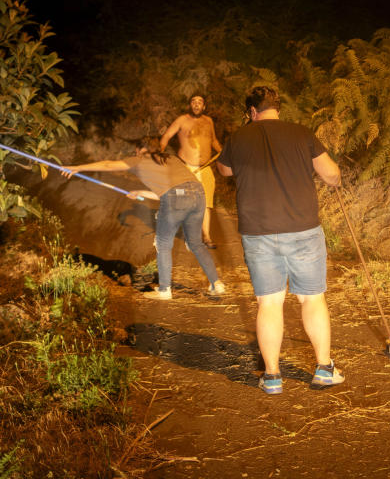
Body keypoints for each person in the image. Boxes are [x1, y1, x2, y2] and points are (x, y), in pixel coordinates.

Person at [216, 86, 344, 394]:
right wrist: (331, 179)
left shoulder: (238, 138)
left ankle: (272, 376)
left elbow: (224, 170)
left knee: (269, 303)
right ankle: (324, 369)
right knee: (312, 298)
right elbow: (332, 175)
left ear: (251, 112)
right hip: (302, 228)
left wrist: (244, 138)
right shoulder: (302, 133)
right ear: (277, 108)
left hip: (258, 232)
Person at [60, 149, 226, 299]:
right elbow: (176, 192)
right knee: (196, 243)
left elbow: (108, 164)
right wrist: (142, 193)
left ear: (141, 151)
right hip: (198, 193)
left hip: (177, 195)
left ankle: (164, 290)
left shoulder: (137, 160)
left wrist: (78, 167)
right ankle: (216, 284)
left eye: (137, 150)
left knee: (163, 244)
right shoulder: (170, 159)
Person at [160, 95, 223, 249]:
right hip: (186, 168)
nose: (196, 104)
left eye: (199, 102)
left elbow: (213, 140)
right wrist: (160, 152)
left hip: (206, 168)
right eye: (193, 102)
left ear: (204, 106)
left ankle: (207, 237)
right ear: (190, 105)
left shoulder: (208, 121)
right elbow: (167, 135)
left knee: (206, 204)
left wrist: (224, 152)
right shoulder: (182, 120)